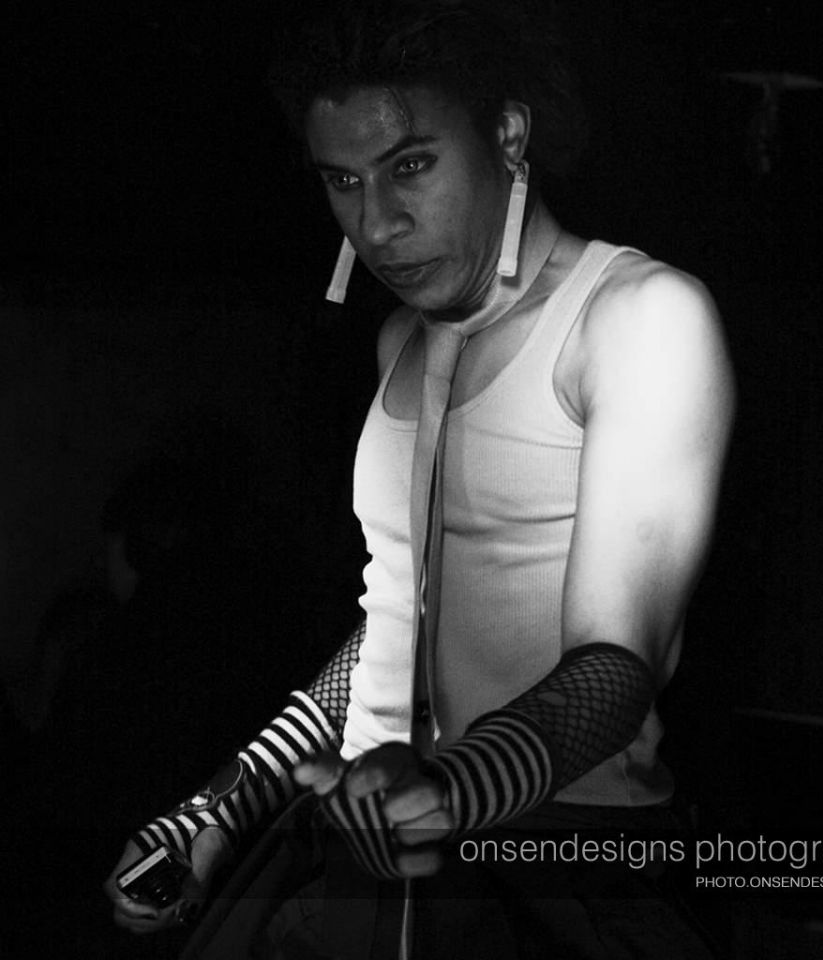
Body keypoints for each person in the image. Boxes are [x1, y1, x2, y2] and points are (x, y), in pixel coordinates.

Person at [104, 1, 735, 956]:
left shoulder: (639, 318)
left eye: (409, 166)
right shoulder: (400, 340)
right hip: (364, 854)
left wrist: (446, 790)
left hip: (561, 864)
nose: (376, 222)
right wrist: (217, 810)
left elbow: (616, 669)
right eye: (343, 181)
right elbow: (396, 625)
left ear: (509, 136)